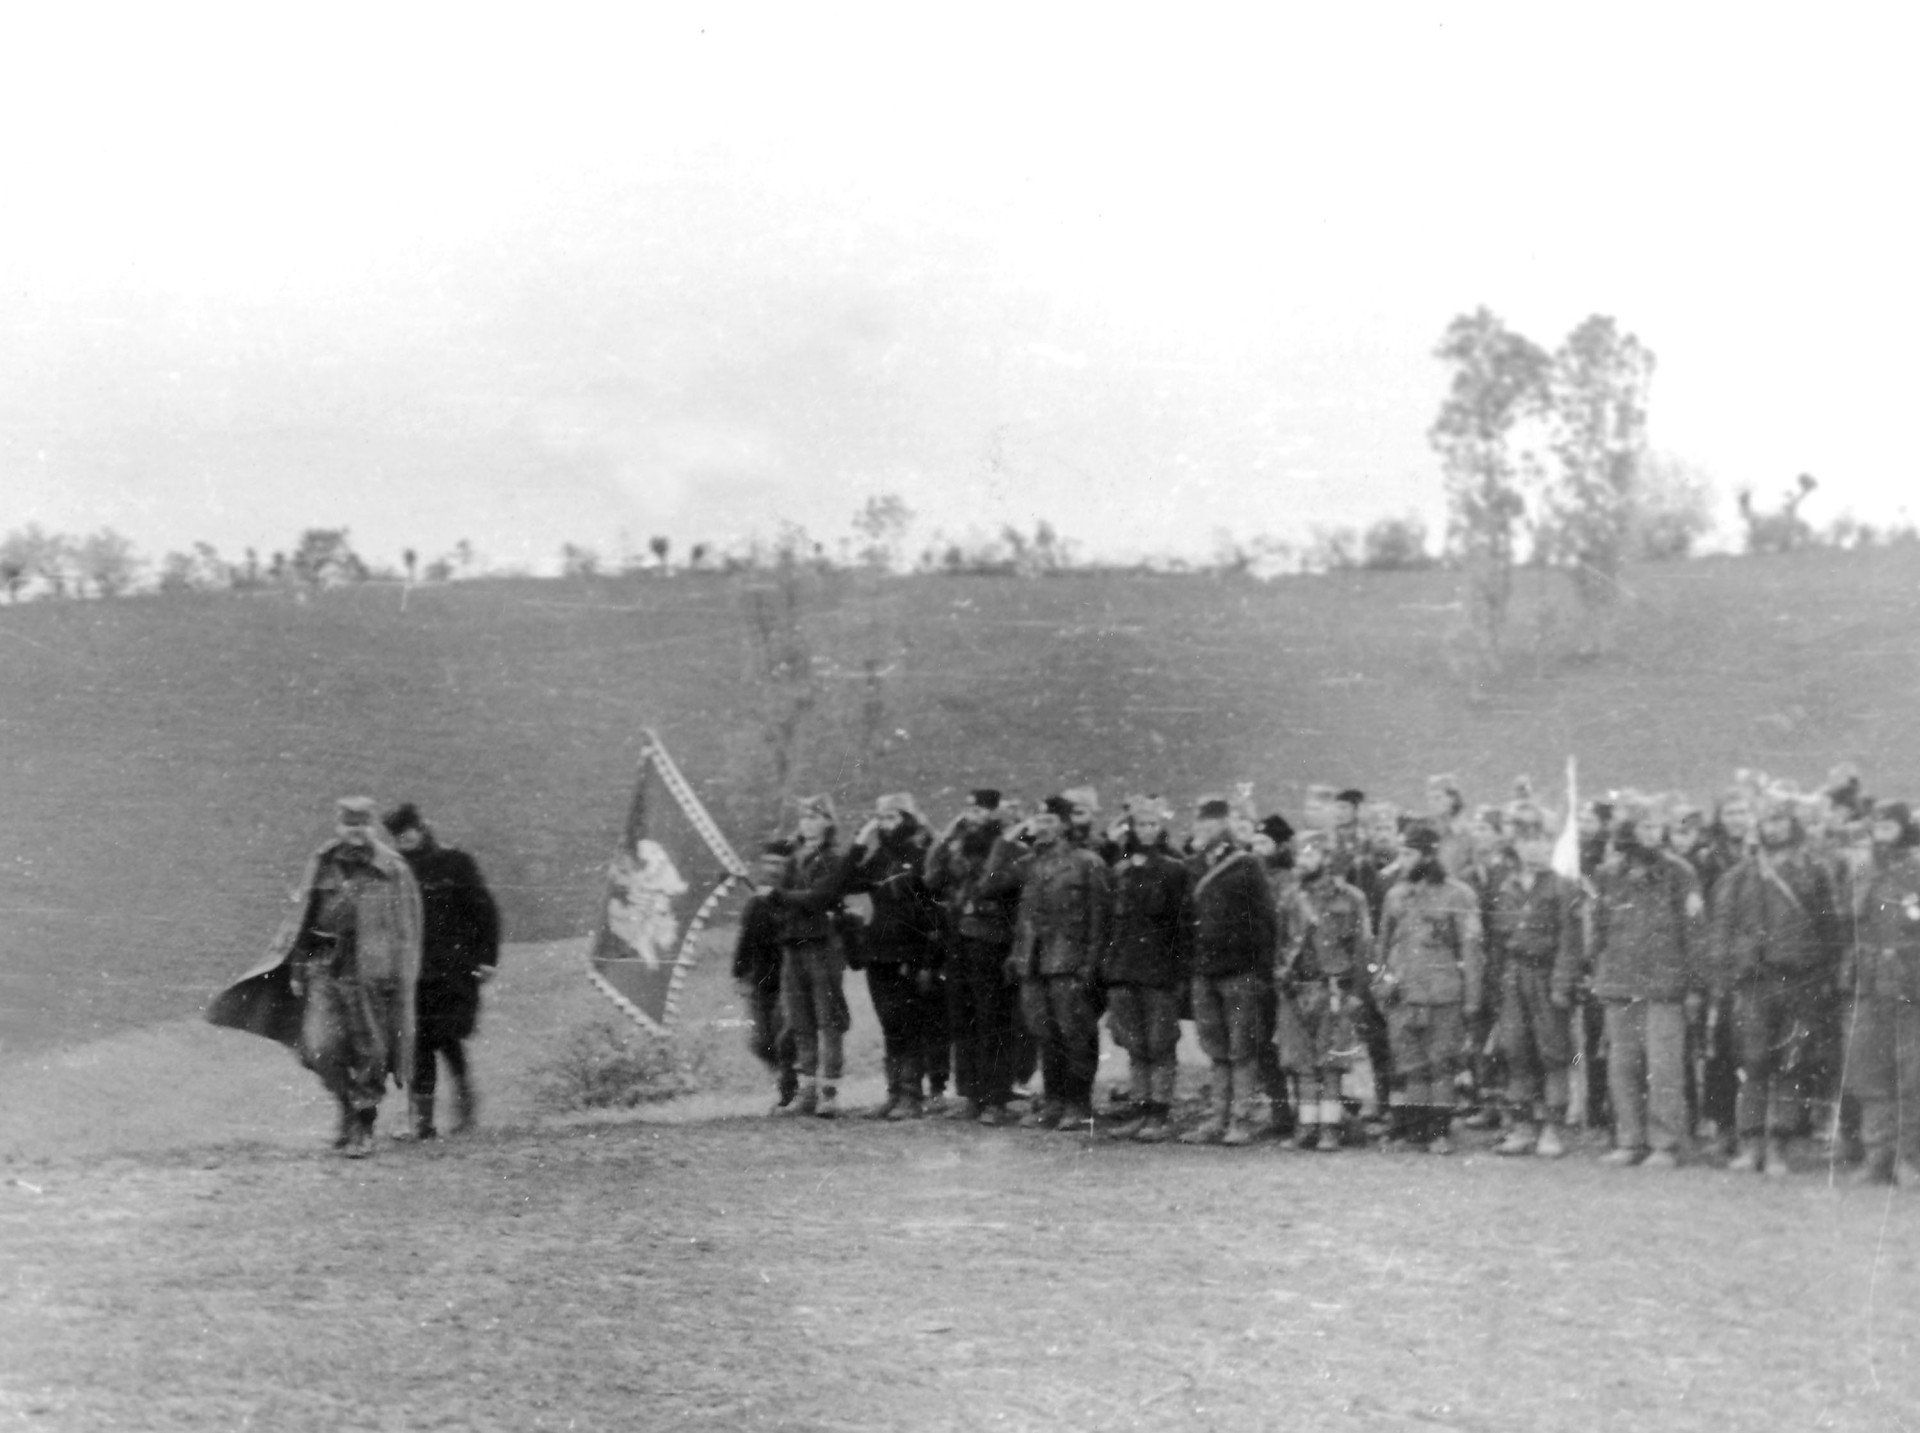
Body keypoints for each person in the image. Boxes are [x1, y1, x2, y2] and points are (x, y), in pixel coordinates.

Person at [208, 797, 422, 1157]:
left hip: (370, 975)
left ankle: (363, 1124)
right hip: (323, 968)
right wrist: (296, 968)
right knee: (318, 1046)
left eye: (362, 824)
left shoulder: (392, 869)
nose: (356, 832)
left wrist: (398, 978)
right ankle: (347, 1106)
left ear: (371, 827)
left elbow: (407, 931)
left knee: (370, 1051)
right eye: (349, 824)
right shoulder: (323, 861)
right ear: (338, 826)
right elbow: (303, 917)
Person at [1710, 794, 1843, 1175]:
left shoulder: (1815, 872)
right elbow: (1722, 930)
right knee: (1752, 1064)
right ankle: (1750, 1145)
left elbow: (1831, 929)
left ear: (1793, 824)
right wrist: (1723, 979)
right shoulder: (1739, 875)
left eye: (1782, 820)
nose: (1775, 828)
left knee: (1790, 1065)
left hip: (1800, 981)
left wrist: (1825, 979)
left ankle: (1778, 1148)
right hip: (1753, 982)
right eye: (1768, 821)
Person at [1588, 797, 1702, 1168]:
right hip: (1619, 983)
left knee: (1663, 1067)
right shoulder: (1608, 874)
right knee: (1623, 1066)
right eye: (1645, 827)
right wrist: (1599, 971)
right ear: (1629, 832)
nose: (1654, 834)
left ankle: (1664, 1144)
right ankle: (1629, 1140)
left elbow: (1694, 932)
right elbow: (1599, 929)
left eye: (1657, 827)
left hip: (1664, 985)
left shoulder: (1680, 873)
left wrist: (1693, 986)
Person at [382, 804, 501, 1140]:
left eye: (409, 830)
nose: (405, 838)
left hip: (453, 970)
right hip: (413, 973)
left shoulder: (454, 862)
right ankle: (423, 1123)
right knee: (418, 1042)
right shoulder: (395, 871)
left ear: (421, 828)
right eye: (398, 834)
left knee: (448, 1038)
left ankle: (466, 1109)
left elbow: (484, 910)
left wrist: (487, 958)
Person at [1374, 821, 1484, 1154]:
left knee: (1441, 1065)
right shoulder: (1395, 895)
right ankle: (1416, 1130)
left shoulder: (1459, 895)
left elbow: (1471, 950)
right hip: (1403, 994)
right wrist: (1380, 986)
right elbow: (1382, 946)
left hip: (1442, 994)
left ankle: (1439, 1132)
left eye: (1409, 854)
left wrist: (1472, 999)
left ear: (1427, 856)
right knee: (1411, 1065)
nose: (1402, 861)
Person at [924, 789, 1028, 1125]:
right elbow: (932, 878)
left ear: (997, 813)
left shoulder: (1012, 849)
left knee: (992, 1019)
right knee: (963, 1017)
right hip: (959, 937)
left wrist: (1001, 845)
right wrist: (945, 838)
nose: (973, 816)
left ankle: (996, 1098)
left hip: (993, 939)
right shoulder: (959, 846)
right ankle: (971, 1094)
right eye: (970, 810)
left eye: (982, 810)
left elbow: (990, 885)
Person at [1487, 804, 1583, 1158]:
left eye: (1542, 840)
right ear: (1516, 845)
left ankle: (1551, 1128)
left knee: (1553, 1053)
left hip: (1547, 977)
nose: (1534, 847)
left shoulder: (1563, 887)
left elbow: (1571, 943)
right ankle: (1522, 1126)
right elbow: (1497, 940)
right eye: (1527, 840)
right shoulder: (1507, 886)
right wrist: (1497, 984)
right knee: (1515, 1050)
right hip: (1514, 977)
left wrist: (1561, 986)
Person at [1182, 795, 1278, 1146]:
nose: (1203, 829)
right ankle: (1216, 1118)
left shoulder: (1246, 865)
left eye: (1210, 823)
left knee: (1242, 1050)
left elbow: (1266, 920)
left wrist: (1261, 972)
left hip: (1240, 971)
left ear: (1224, 826)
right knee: (1216, 1049)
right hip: (1204, 970)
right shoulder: (1193, 866)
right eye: (1200, 823)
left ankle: (1242, 1120)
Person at [844, 793, 946, 1120]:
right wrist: (859, 842)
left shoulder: (922, 856)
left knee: (909, 1023)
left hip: (911, 951)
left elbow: (935, 912)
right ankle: (894, 1093)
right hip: (879, 952)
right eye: (881, 818)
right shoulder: (878, 858)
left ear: (907, 819)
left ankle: (911, 1095)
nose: (885, 825)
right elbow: (844, 883)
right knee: (889, 1023)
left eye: (892, 817)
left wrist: (929, 960)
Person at [1013, 796, 1111, 1130]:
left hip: (1070, 962)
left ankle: (1078, 1104)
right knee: (1045, 1033)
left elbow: (1100, 920)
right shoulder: (1032, 864)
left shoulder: (1087, 863)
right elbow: (1024, 916)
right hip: (1035, 962)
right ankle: (1054, 1101)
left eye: (1049, 821)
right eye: (1038, 821)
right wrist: (1019, 956)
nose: (1041, 827)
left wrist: (1091, 965)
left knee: (1076, 1034)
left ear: (1065, 825)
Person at [1100, 796, 1192, 1142]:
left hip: (1158, 970)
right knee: (1134, 1044)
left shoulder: (1174, 870)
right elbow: (1111, 923)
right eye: (1141, 824)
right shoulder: (1120, 870)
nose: (1147, 830)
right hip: (1124, 969)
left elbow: (1182, 925)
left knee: (1160, 1043)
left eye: (1153, 824)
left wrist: (1179, 971)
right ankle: (1139, 1110)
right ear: (1132, 829)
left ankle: (1159, 1113)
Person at [1276, 829, 1373, 1151]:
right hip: (1295, 988)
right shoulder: (1290, 897)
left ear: (1326, 858)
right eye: (1298, 854)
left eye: (1309, 853)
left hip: (1333, 989)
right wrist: (1281, 978)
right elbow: (1280, 943)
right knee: (1301, 1063)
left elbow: (1363, 949)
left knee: (1331, 1064)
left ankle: (1330, 1128)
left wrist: (1357, 993)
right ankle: (1306, 1127)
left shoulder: (1350, 898)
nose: (1301, 860)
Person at [1841, 800, 1920, 1185]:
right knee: (1870, 1073)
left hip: (1911, 986)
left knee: (1912, 1077)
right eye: (1878, 823)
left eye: (1891, 822)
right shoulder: (1862, 868)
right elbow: (1848, 922)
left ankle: (1909, 1160)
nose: (1883, 828)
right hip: (1870, 985)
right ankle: (1877, 1156)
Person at [764, 794, 852, 1118]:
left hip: (823, 947)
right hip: (794, 946)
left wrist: (780, 896)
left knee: (829, 1021)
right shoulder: (794, 858)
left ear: (828, 822)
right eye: (804, 817)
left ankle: (829, 1093)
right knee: (800, 1021)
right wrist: (774, 899)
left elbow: (819, 897)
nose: (808, 823)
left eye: (815, 817)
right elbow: (783, 900)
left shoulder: (834, 858)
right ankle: (807, 1092)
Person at [734, 840, 800, 1111]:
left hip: (789, 976)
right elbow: (746, 939)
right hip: (761, 978)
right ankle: (783, 1081)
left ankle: (789, 1091)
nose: (773, 869)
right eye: (769, 863)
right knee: (761, 1041)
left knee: (785, 1036)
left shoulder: (794, 897)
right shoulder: (755, 902)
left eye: (779, 864)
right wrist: (739, 973)